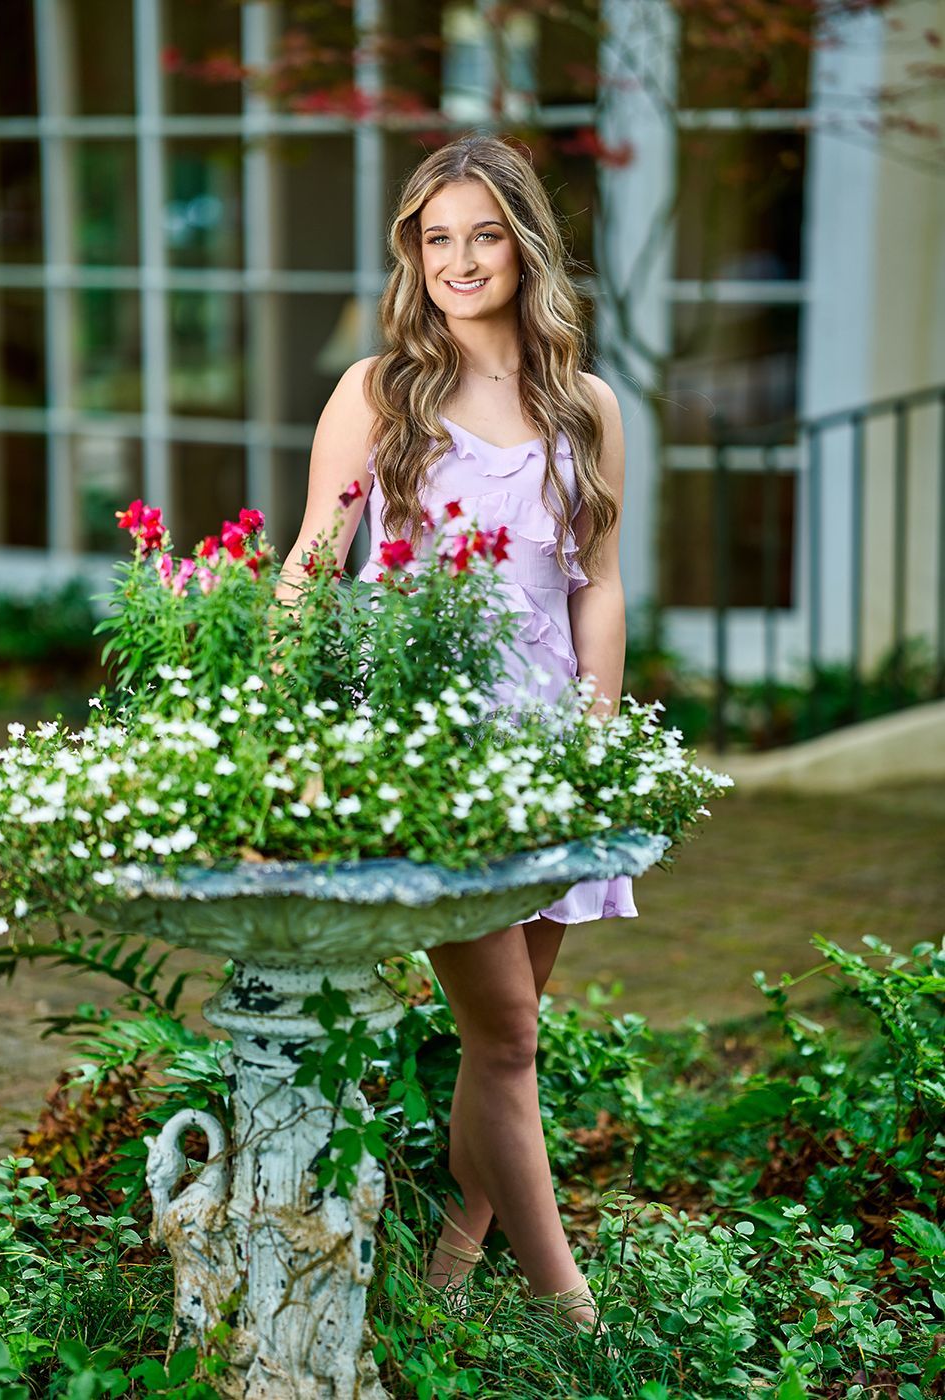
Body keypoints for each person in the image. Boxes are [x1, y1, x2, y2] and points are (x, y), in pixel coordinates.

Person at [277, 133, 631, 1342]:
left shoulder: (585, 406)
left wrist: (594, 747)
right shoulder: (380, 393)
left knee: (506, 1035)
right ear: (413, 255)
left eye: (484, 233)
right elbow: (311, 570)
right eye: (437, 237)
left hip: (548, 750)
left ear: (523, 243)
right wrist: (275, 717)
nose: (460, 259)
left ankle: (449, 1262)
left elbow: (598, 589)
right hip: (432, 757)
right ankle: (569, 1313)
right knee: (511, 1034)